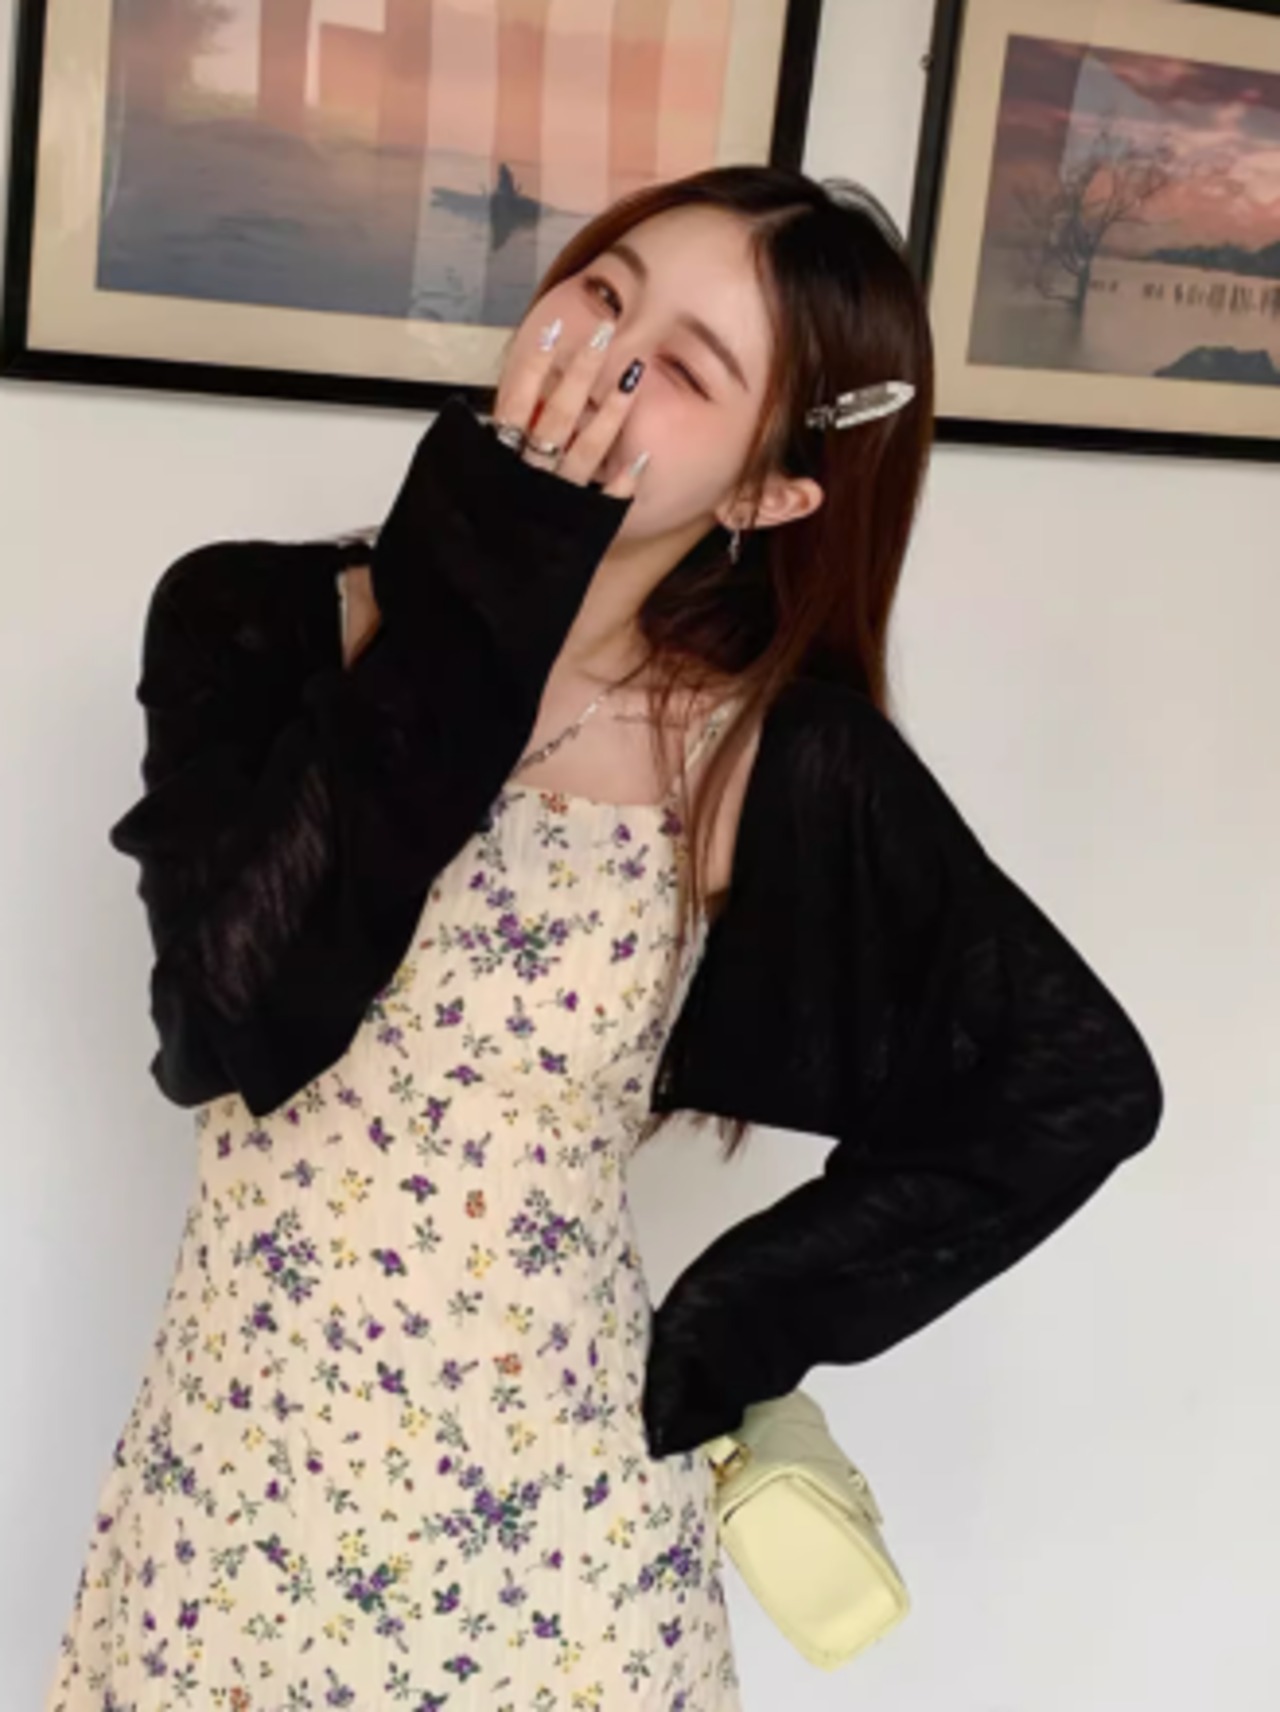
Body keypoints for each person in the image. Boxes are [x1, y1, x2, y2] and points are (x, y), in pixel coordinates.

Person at [44, 165, 1163, 1710]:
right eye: (604, 291)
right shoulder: (255, 619)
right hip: (232, 1498)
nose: (605, 359)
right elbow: (237, 1023)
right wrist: (488, 570)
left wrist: (735, 1328)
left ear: (768, 493)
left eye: (685, 367)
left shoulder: (762, 753)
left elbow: (1073, 1086)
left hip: (556, 1537)